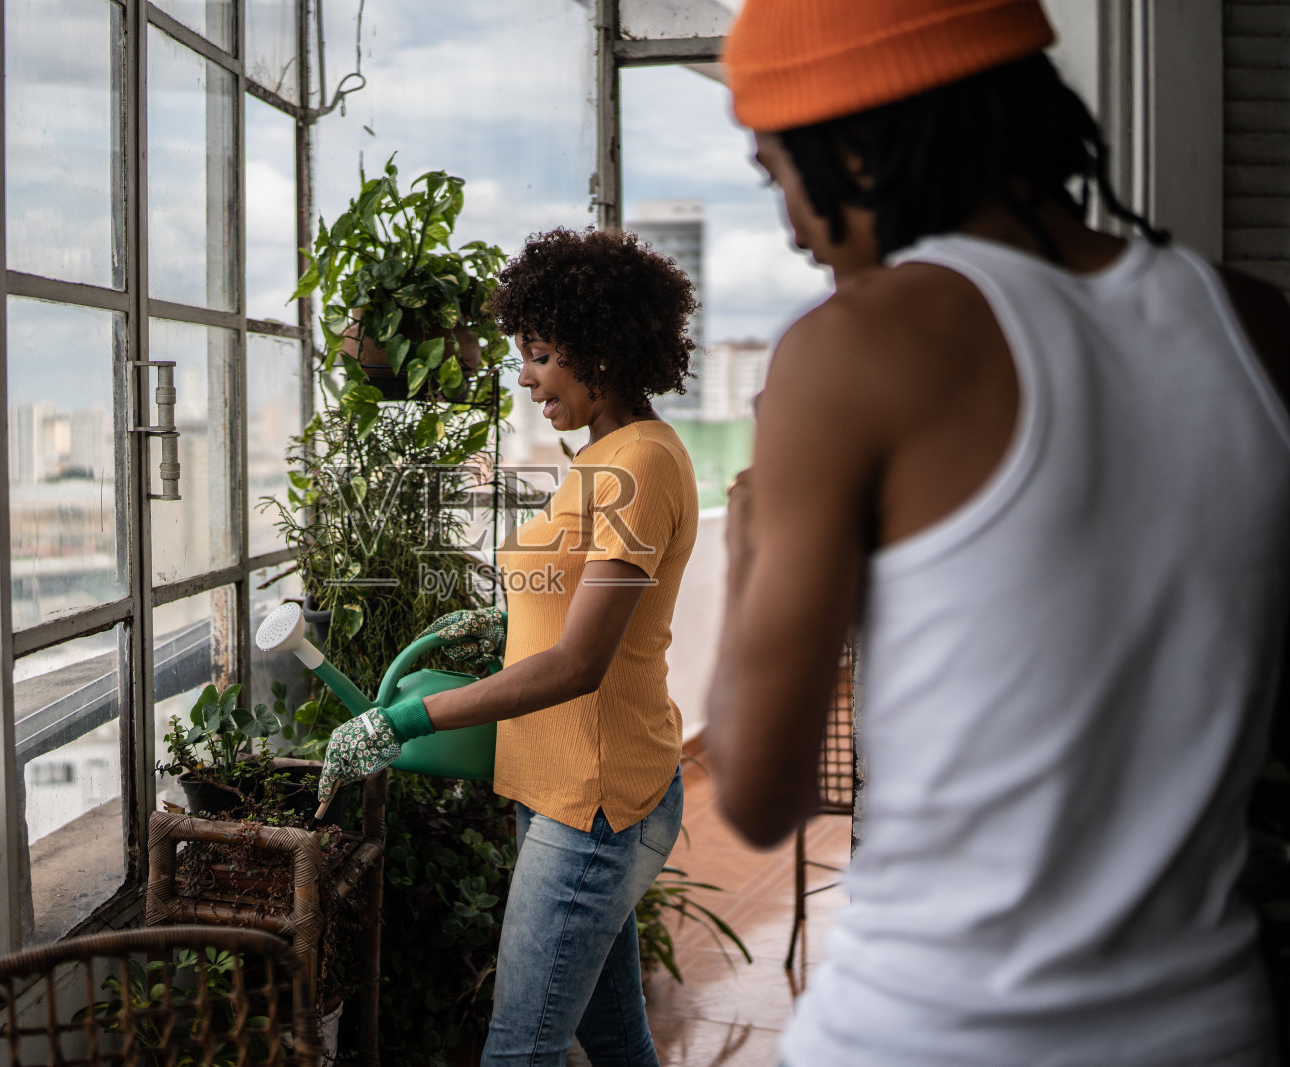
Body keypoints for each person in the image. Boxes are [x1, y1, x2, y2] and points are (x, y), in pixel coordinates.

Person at [708, 1, 1290, 1064]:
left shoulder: (853, 350)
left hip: (924, 1032)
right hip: (1211, 1022)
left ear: (853, 143)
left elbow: (756, 789)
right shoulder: (1257, 327)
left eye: (775, 172)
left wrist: (746, 549)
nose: (792, 225)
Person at [317, 226, 700, 1066]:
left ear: (597, 348)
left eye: (538, 355)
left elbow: (579, 662)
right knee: (612, 1036)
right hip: (569, 789)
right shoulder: (609, 455)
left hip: (593, 804)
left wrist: (406, 719)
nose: (524, 377)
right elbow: (582, 599)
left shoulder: (637, 465)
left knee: (519, 1051)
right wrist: (504, 620)